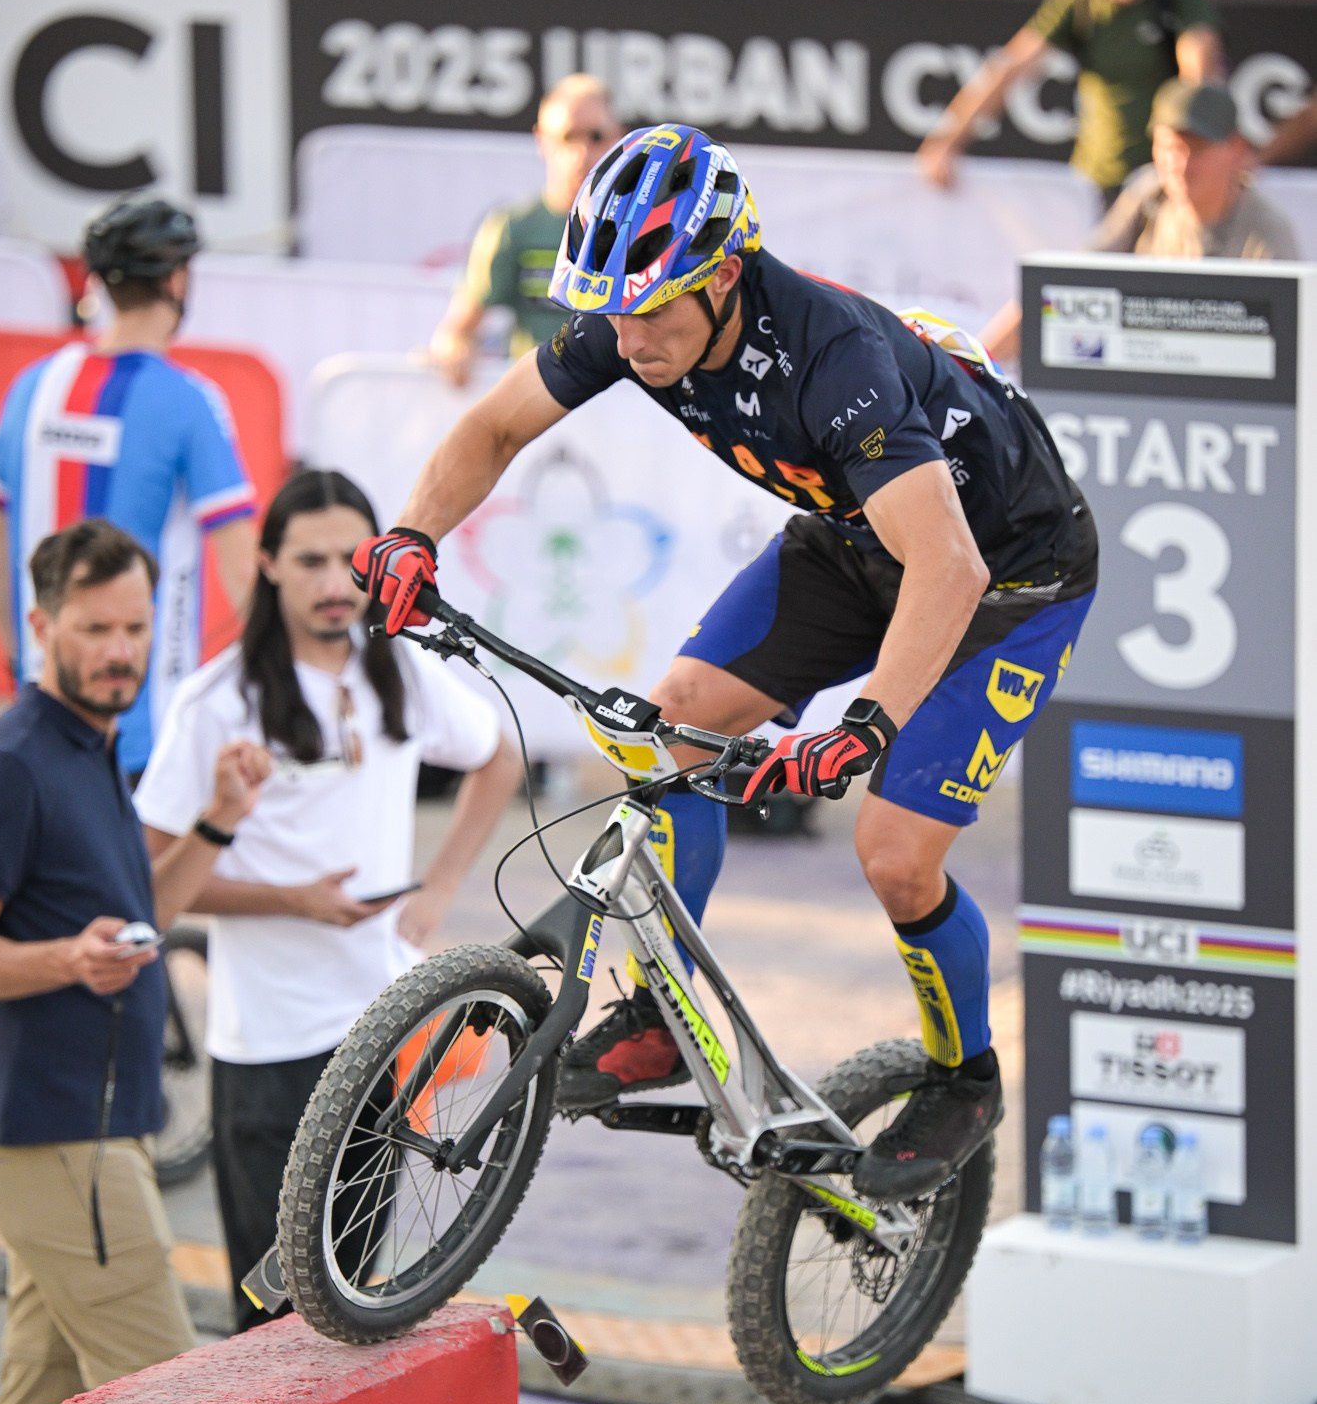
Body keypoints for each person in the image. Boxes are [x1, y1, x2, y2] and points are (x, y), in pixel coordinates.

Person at [353, 123, 1099, 1201]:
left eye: (650, 311)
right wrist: (409, 534)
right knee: (671, 726)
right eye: (611, 311)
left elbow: (948, 566)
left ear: (721, 276)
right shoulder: (635, 318)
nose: (627, 337)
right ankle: (662, 1012)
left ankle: (965, 1076)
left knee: (895, 853)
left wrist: (862, 727)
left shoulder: (835, 360)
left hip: (1009, 580)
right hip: (858, 538)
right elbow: (493, 428)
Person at [135, 470, 520, 1329]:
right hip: (268, 1045)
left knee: (353, 1306)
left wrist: (439, 887)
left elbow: (497, 758)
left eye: (348, 560)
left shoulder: (400, 670)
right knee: (271, 1319)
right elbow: (148, 891)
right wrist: (289, 900)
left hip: (378, 1036)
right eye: (308, 560)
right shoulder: (218, 700)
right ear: (268, 563)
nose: (331, 582)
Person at [0, 519, 267, 1404]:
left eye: (136, 628)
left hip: (105, 1123)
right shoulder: (13, 763)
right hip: (58, 1134)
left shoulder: (94, 744)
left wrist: (217, 821)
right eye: (95, 628)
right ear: (41, 626)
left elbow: (143, 918)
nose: (120, 652)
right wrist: (68, 958)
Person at [0, 196, 257, 776]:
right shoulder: (190, 401)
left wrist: (17, 661)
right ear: (177, 280)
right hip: (147, 731)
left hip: (39, 710)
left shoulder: (32, 387)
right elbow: (243, 573)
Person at [917, 0, 1223, 206]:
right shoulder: (1079, 0)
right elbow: (1011, 67)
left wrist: (1186, 150)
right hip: (1095, 184)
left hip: (1166, 184)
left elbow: (1199, 69)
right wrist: (948, 141)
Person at [982, 81, 1300, 366]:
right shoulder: (1149, 194)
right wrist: (976, 366)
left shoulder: (1267, 233)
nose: (1181, 165)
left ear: (1236, 150)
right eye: (1170, 148)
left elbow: (1289, 349)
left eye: (1198, 149)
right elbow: (1065, 283)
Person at [427, 75, 621, 385]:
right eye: (568, 137)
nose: (582, 152)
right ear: (541, 139)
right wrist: (455, 350)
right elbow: (456, 330)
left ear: (618, 138)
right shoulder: (513, 227)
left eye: (595, 136)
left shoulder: (643, 227)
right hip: (538, 397)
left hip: (622, 402)